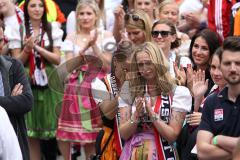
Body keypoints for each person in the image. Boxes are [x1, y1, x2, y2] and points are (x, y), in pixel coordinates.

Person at [56, 0, 115, 159]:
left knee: (96, 134)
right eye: (81, 14)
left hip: (98, 87)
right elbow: (69, 67)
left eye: (89, 13)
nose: (85, 17)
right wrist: (83, 48)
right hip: (76, 89)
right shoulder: (71, 36)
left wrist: (94, 46)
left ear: (96, 16)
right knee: (66, 133)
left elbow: (108, 65)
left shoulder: (106, 35)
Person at [119, 42, 192, 159]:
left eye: (148, 63)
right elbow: (123, 133)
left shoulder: (178, 92)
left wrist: (152, 115)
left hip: (162, 153)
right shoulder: (128, 90)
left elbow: (172, 136)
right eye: (140, 65)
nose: (145, 69)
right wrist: (136, 115)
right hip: (132, 152)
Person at [10, 0, 63, 159]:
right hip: (26, 81)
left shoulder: (52, 28)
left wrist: (37, 47)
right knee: (30, 130)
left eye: (40, 5)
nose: (37, 9)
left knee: (52, 128)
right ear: (25, 9)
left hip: (49, 83)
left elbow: (57, 59)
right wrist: (27, 49)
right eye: (33, 5)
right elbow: (15, 63)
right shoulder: (17, 29)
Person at [197, 36, 240, 159]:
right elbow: (202, 152)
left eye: (238, 63)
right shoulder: (212, 101)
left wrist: (218, 139)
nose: (232, 69)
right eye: (226, 63)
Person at [91, 41, 134, 160]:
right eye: (127, 67)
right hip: (112, 146)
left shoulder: (141, 83)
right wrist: (124, 87)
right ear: (116, 62)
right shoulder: (99, 84)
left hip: (137, 143)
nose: (131, 72)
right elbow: (108, 113)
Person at [0, 21, 33, 160]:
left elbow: (26, 102)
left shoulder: (13, 66)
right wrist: (10, 100)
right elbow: (17, 104)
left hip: (12, 141)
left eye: (0, 40)